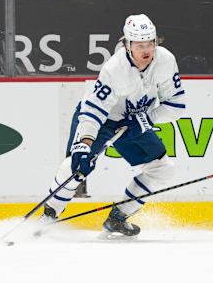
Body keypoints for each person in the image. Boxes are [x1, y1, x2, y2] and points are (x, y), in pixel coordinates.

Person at [40, 14, 186, 237]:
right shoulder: (114, 69)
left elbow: (176, 105)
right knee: (76, 167)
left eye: (150, 43)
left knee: (163, 169)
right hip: (103, 121)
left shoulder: (165, 60)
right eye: (139, 45)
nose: (146, 50)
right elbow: (93, 110)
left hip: (134, 122)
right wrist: (85, 144)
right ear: (127, 44)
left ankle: (118, 218)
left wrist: (146, 120)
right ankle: (48, 215)